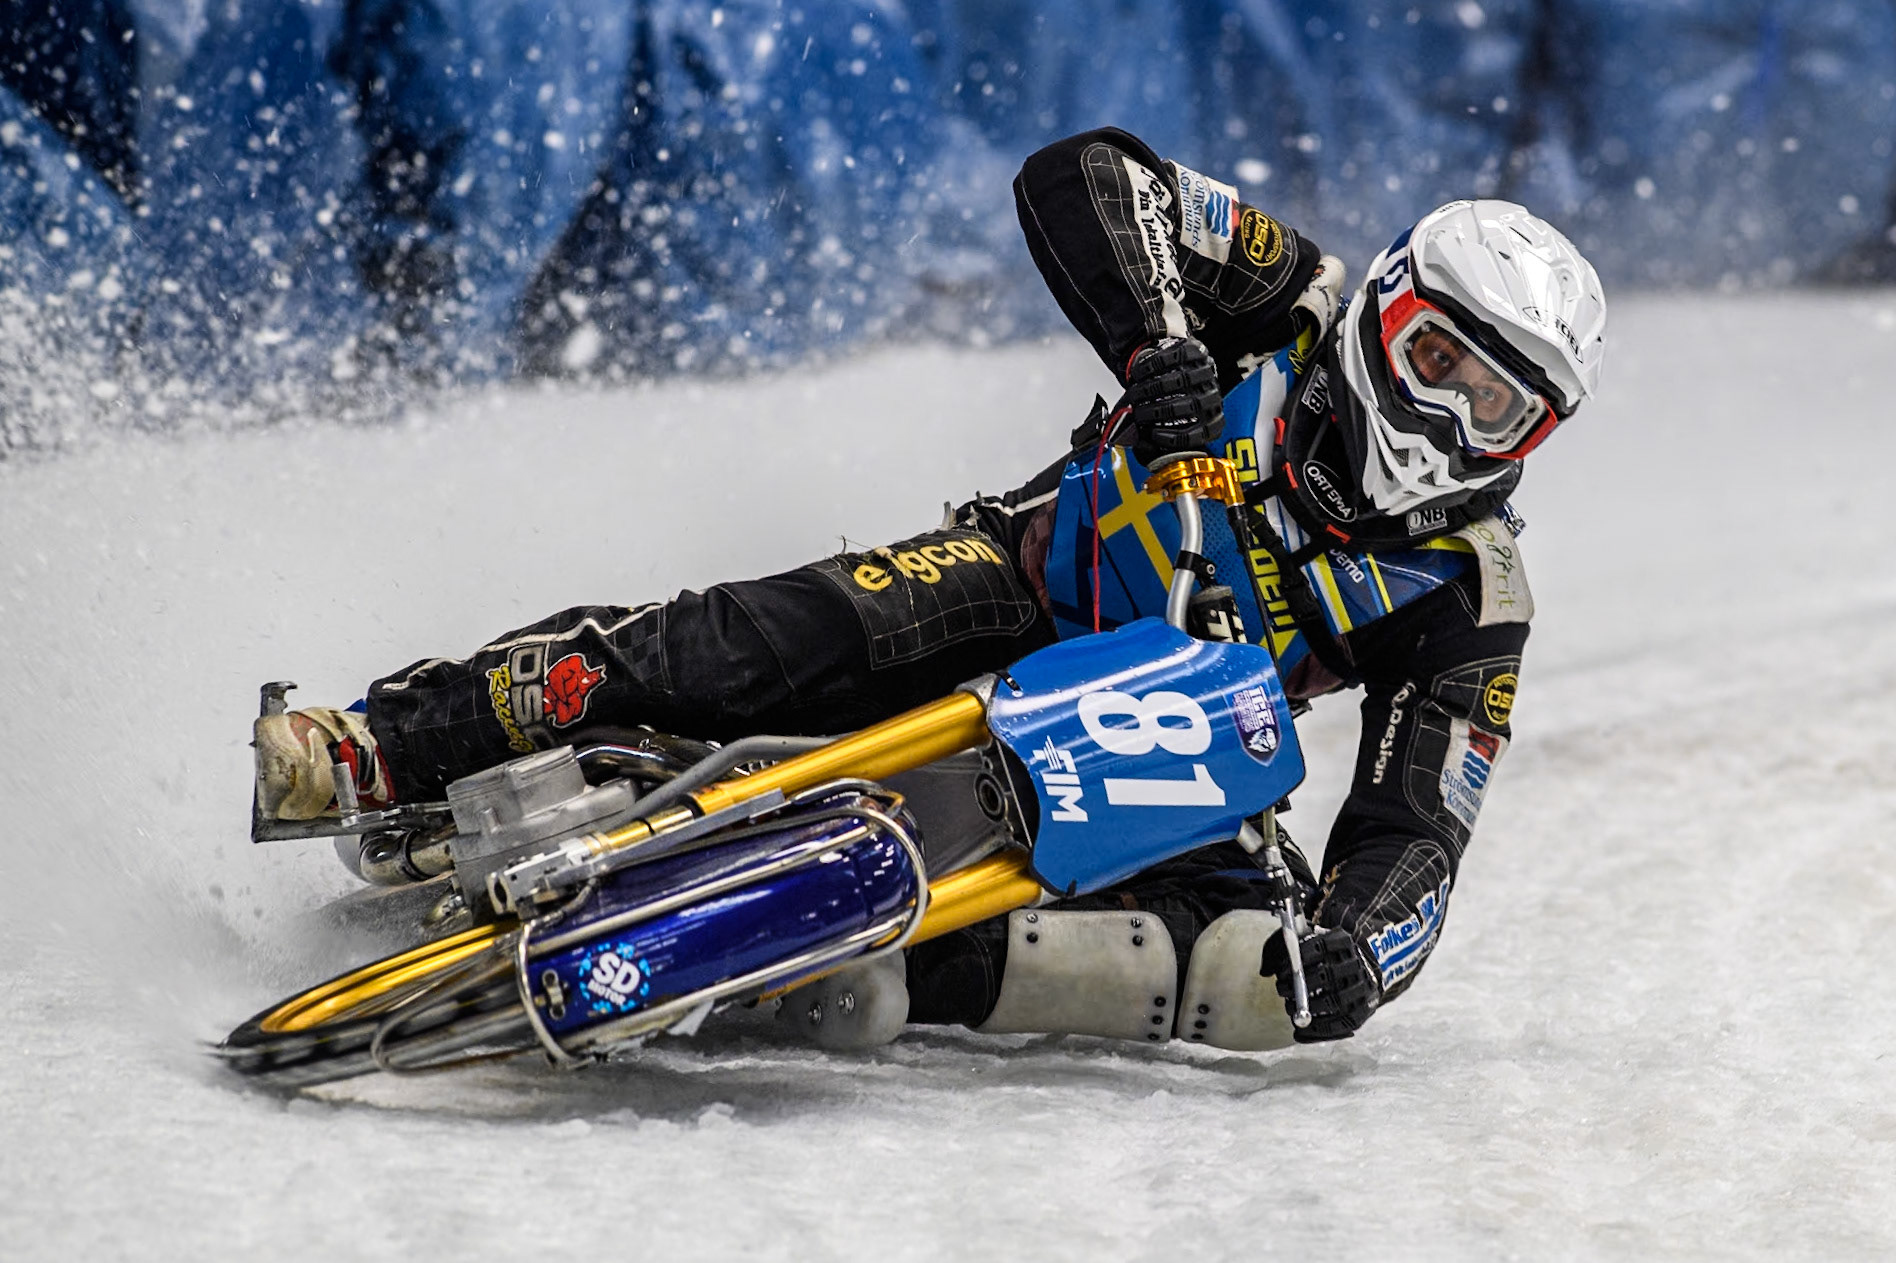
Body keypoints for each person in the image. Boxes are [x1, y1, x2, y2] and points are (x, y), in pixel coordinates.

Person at [255, 126, 1606, 1050]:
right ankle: (380, 749)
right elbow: (1089, 175)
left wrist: (1362, 955)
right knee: (736, 644)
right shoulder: (1291, 294)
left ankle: (855, 973)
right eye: (1442, 361)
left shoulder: (1474, 594)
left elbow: (1420, 828)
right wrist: (1158, 345)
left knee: (1257, 971)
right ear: (1384, 311)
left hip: (1165, 750)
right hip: (1017, 587)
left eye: (1503, 409)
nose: (1452, 420)